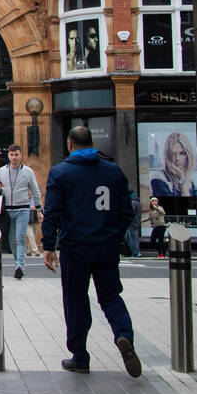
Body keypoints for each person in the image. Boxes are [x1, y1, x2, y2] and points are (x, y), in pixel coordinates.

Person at [41, 125, 141, 377]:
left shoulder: (61, 173)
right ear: (92, 143)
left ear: (69, 143)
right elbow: (127, 212)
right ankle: (123, 335)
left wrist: (48, 246)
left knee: (75, 299)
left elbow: (51, 212)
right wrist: (113, 236)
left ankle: (80, 355)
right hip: (106, 247)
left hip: (75, 247)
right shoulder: (113, 171)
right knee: (110, 296)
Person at [0, 143, 43, 280]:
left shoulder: (28, 171)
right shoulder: (2, 171)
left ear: (21, 156)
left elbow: (36, 190)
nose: (14, 157)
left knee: (20, 237)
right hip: (8, 209)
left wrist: (39, 208)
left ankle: (20, 266)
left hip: (23, 209)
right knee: (12, 239)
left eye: (16, 155)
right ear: (8, 156)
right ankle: (17, 263)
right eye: (11, 155)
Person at [151, 132, 197, 198]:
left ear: (188, 155)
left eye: (182, 153)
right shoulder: (158, 179)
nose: (177, 158)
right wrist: (182, 181)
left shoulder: (188, 179)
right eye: (173, 154)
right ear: (167, 155)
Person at [125, 190, 142, 258]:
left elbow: (130, 212)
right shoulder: (138, 203)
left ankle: (135, 253)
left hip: (131, 223)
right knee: (132, 237)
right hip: (135, 223)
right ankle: (136, 252)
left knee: (131, 238)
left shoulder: (133, 202)